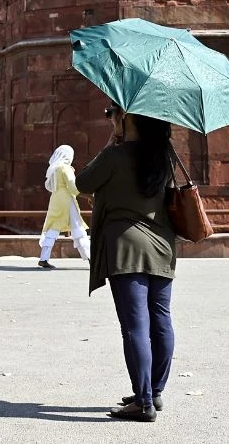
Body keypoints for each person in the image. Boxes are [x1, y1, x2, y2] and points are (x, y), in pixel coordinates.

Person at [75, 104, 178, 423]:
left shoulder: (114, 156)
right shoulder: (165, 157)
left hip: (125, 248)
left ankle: (143, 401)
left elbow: (83, 183)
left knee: (135, 325)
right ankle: (154, 392)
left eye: (112, 113)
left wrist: (110, 142)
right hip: (162, 247)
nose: (110, 118)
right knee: (161, 320)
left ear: (128, 118)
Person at [38, 145, 91, 269]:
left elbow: (50, 186)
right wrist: (88, 195)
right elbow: (73, 187)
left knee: (53, 227)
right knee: (78, 227)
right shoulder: (65, 168)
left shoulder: (54, 168)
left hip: (56, 199)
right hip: (67, 199)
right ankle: (90, 257)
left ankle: (43, 258)